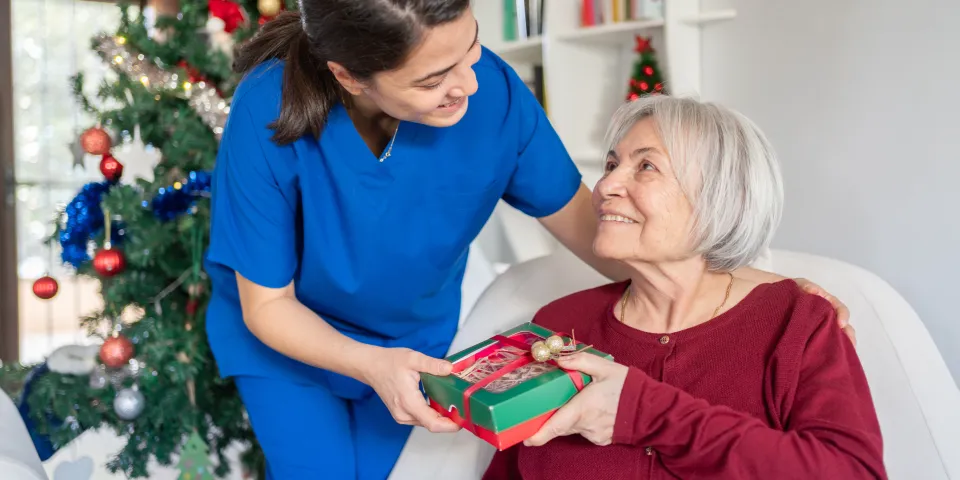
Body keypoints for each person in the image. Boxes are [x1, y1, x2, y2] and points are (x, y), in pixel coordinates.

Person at [203, 2, 854, 478]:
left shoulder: (495, 102)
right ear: (349, 76)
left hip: (414, 343)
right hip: (288, 344)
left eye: (471, 49)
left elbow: (599, 233)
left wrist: (759, 286)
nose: (470, 83)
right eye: (434, 79)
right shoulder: (270, 108)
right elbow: (267, 306)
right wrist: (372, 366)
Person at [484, 96, 886, 479]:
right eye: (611, 164)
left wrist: (643, 410)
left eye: (646, 167)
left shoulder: (798, 323)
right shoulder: (559, 324)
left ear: (722, 196)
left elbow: (853, 473)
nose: (605, 187)